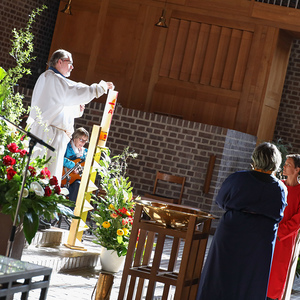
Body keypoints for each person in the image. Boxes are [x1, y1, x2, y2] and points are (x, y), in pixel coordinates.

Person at [196, 142, 287, 300]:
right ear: (276, 164)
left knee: (219, 274)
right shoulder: (280, 188)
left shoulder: (238, 178)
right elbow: (279, 213)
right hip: (261, 238)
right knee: (251, 280)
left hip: (232, 231)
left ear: (255, 158)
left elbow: (221, 200)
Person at [27, 49, 114, 184]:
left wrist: (75, 108)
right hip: (47, 136)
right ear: (59, 61)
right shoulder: (52, 78)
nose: (72, 67)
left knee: (49, 178)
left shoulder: (53, 79)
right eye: (70, 63)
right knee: (42, 177)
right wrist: (100, 88)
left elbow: (59, 104)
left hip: (52, 135)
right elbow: (74, 90)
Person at [267, 154, 300, 300]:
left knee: (277, 275)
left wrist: (279, 232)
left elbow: (298, 220)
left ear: (297, 169)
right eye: (285, 164)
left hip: (284, 240)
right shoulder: (277, 185)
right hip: (268, 235)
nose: (284, 167)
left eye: (288, 165)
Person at [62, 127, 89, 203]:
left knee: (79, 185)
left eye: (85, 141)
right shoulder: (66, 146)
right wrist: (73, 166)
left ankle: (71, 210)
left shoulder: (85, 153)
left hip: (74, 180)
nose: (83, 143)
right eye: (81, 139)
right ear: (75, 138)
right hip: (63, 177)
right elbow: (60, 158)